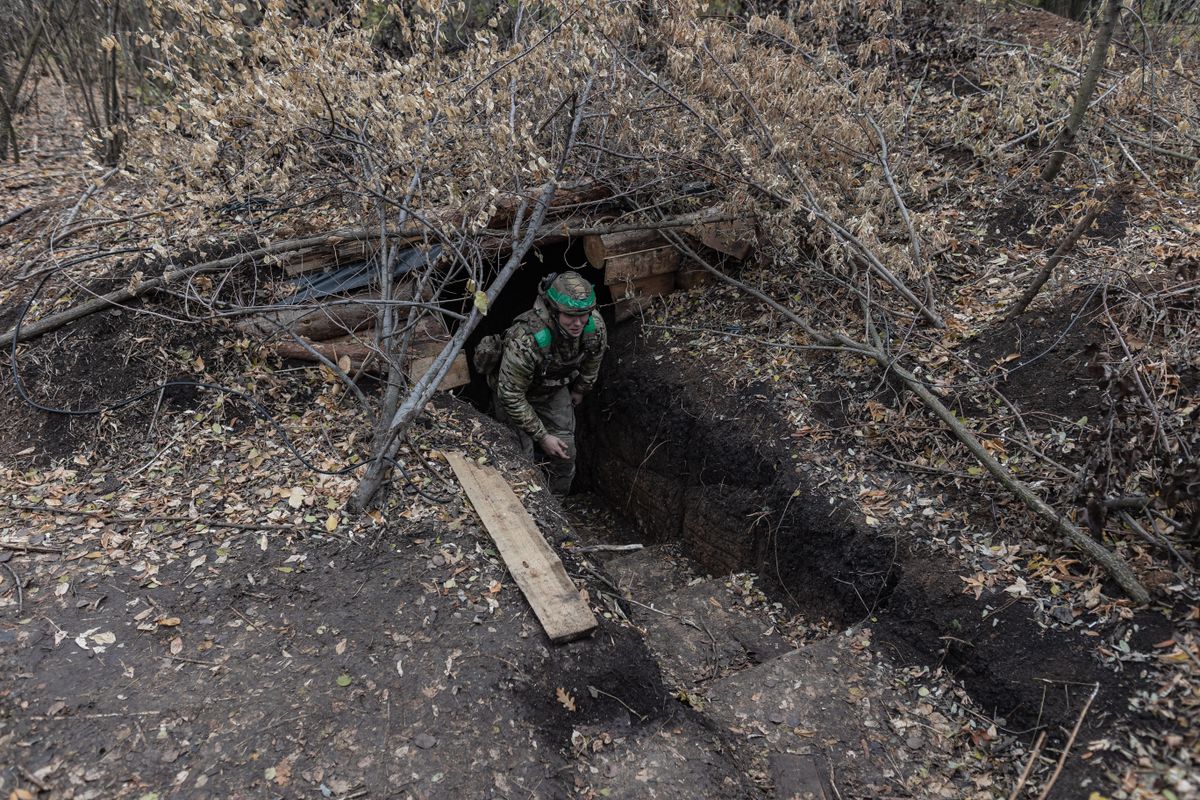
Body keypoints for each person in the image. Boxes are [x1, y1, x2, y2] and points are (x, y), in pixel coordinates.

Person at [489, 271, 607, 495]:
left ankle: (556, 511)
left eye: (583, 315)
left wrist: (581, 388)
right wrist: (542, 437)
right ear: (553, 311)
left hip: (552, 388)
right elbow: (511, 395)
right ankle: (531, 509)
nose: (578, 323)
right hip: (513, 394)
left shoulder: (594, 326)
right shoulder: (526, 339)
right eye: (570, 316)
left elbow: (594, 357)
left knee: (566, 452)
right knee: (519, 460)